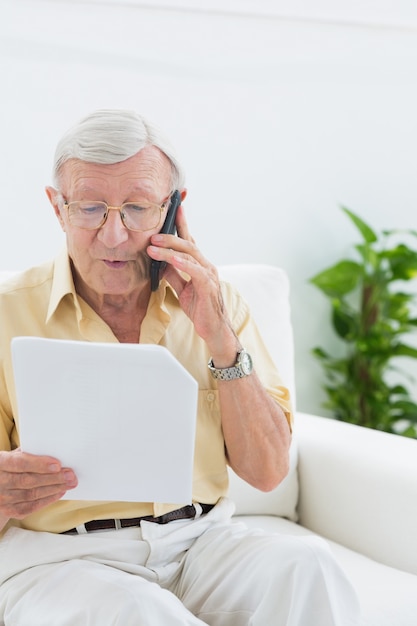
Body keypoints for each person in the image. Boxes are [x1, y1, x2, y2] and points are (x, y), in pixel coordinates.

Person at [0, 109, 360, 625]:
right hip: (59, 558)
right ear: (57, 208)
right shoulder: (6, 312)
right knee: (135, 610)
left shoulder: (217, 304)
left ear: (172, 209)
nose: (114, 234)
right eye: (91, 208)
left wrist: (219, 337)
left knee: (308, 567)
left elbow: (268, 472)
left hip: (199, 541)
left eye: (137, 208)